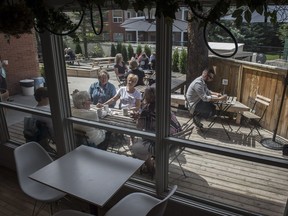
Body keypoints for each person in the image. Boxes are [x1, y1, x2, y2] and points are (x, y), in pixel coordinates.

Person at [131, 86, 182, 176]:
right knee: (145, 141)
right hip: (177, 140)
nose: (143, 97)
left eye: (144, 95)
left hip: (164, 145)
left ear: (149, 97)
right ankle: (151, 160)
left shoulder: (147, 109)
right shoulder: (164, 105)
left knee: (135, 148)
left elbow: (139, 127)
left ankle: (151, 168)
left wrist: (138, 118)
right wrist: (142, 116)